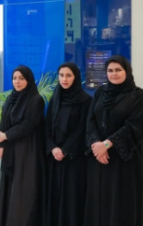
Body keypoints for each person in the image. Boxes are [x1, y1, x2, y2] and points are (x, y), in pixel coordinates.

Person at [83, 55, 143, 226]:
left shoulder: (138, 96)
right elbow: (90, 120)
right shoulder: (100, 93)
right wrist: (96, 145)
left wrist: (106, 144)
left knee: (122, 203)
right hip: (100, 158)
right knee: (99, 201)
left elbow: (134, 126)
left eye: (118, 70)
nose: (114, 74)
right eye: (110, 70)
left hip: (125, 158)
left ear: (127, 71)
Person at [0, 66, 46, 226]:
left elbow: (29, 124)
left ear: (28, 80)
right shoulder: (11, 98)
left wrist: (6, 136)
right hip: (11, 148)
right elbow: (3, 122)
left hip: (28, 149)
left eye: (21, 78)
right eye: (15, 78)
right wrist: (2, 145)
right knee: (9, 186)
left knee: (23, 188)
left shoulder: (36, 100)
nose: (17, 81)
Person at [44, 62, 91, 226]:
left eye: (68, 75)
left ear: (75, 77)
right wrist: (53, 147)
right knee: (54, 195)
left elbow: (83, 129)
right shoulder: (55, 98)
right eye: (61, 75)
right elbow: (47, 125)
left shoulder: (85, 100)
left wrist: (65, 150)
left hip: (74, 159)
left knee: (71, 197)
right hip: (54, 158)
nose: (64, 79)